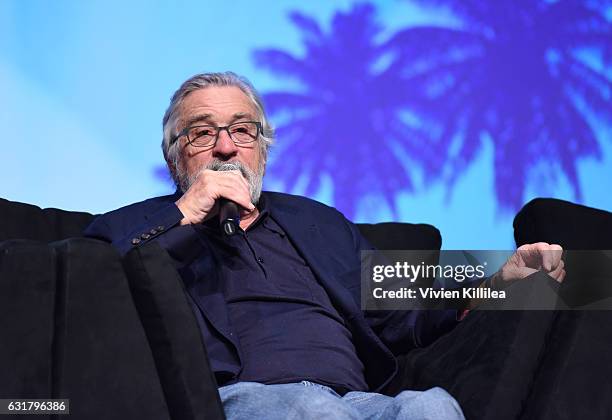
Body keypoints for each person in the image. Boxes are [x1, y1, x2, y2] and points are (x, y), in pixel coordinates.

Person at [85, 72, 565, 420]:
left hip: (355, 401)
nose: (226, 147)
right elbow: (87, 291)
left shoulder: (319, 222)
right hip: (237, 399)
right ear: (175, 153)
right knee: (311, 410)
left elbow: (403, 309)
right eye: (203, 133)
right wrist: (184, 215)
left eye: (242, 129)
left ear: (263, 148)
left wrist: (497, 285)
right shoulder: (135, 226)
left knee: (432, 406)